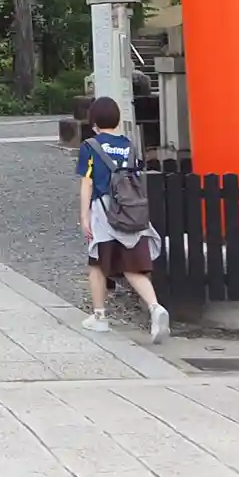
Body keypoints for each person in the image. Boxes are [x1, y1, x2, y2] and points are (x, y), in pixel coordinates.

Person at [77, 95, 168, 340]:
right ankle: (156, 308)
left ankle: (99, 316)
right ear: (117, 120)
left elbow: (87, 183)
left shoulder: (90, 147)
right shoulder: (129, 146)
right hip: (130, 211)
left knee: (97, 263)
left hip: (105, 213)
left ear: (93, 122)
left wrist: (84, 216)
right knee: (133, 266)